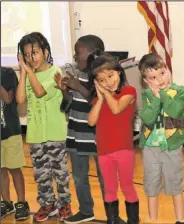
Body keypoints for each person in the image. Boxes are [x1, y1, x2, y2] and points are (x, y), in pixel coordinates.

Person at [16, 32, 72, 222]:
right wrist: (23, 72)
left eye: (35, 53)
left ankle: (64, 203)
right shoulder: (28, 73)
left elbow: (39, 92)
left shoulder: (55, 72)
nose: (31, 58)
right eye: (27, 55)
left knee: (60, 172)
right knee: (41, 174)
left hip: (55, 134)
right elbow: (20, 99)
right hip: (35, 134)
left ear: (46, 52)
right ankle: (48, 203)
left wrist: (29, 71)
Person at [54, 35, 106, 224]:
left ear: (92, 53)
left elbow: (100, 103)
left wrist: (79, 87)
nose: (75, 56)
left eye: (78, 52)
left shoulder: (103, 76)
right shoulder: (74, 73)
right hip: (76, 135)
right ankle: (86, 211)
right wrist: (64, 90)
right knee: (79, 177)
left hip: (98, 137)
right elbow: (67, 105)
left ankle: (112, 215)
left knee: (105, 179)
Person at [87, 52, 139, 224]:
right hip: (104, 152)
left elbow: (116, 109)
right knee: (109, 189)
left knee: (127, 186)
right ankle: (112, 220)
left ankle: (133, 220)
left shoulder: (128, 92)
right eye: (102, 80)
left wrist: (106, 93)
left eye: (111, 75)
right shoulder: (99, 99)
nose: (108, 82)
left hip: (124, 150)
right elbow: (91, 121)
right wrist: (100, 98)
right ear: (96, 83)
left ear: (119, 73)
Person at [137, 53, 184, 224]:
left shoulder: (178, 91)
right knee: (151, 183)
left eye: (162, 73)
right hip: (150, 147)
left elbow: (175, 111)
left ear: (168, 70)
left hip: (172, 146)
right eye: (152, 77)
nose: (159, 80)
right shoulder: (146, 95)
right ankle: (153, 219)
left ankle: (180, 219)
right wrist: (155, 100)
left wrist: (164, 95)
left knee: (175, 182)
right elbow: (148, 118)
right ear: (146, 81)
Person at [0, 66, 29, 221]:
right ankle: (6, 202)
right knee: (1, 170)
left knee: (14, 168)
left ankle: (21, 202)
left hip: (10, 131)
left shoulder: (7, 73)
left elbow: (8, 99)